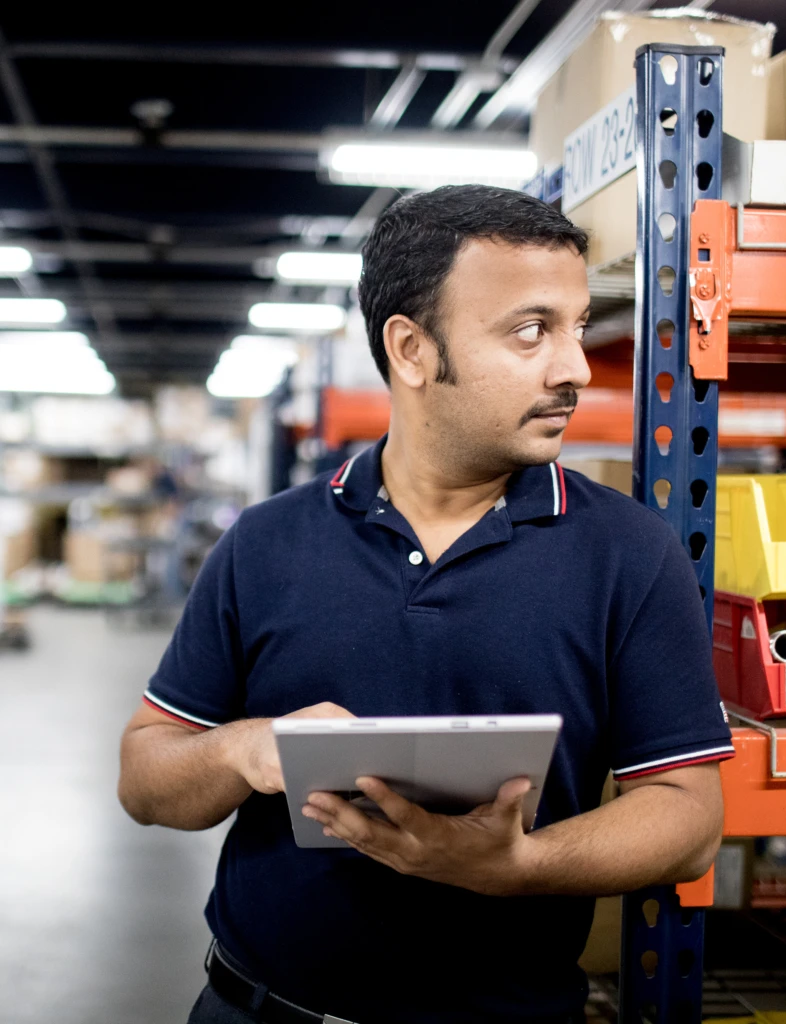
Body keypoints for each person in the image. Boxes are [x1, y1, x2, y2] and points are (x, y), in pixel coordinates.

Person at [118, 184, 734, 1024]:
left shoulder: (628, 554)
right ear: (411, 349)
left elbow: (689, 817)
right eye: (530, 331)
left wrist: (519, 863)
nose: (575, 368)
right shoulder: (266, 544)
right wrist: (242, 749)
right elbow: (146, 780)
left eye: (578, 326)